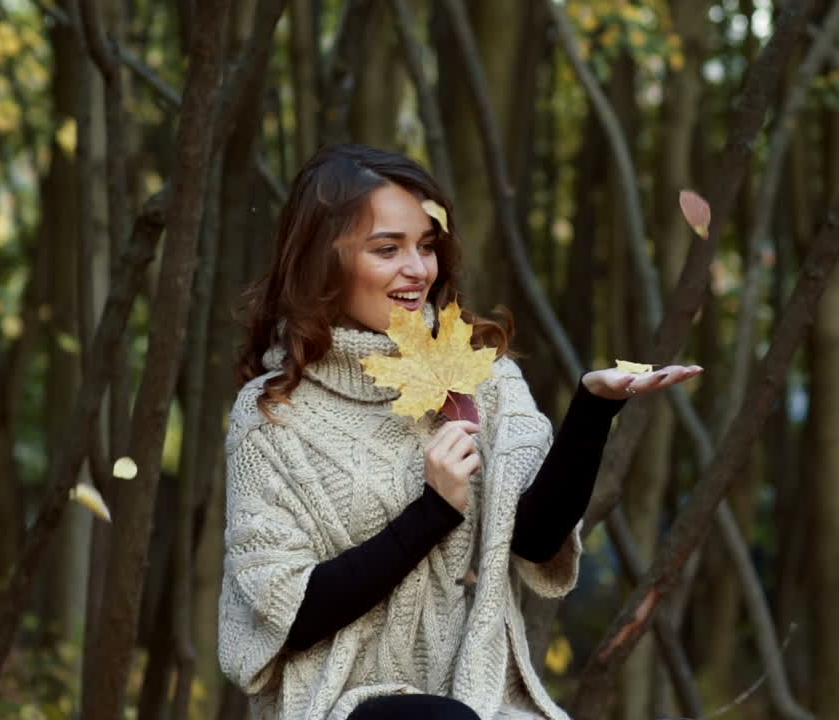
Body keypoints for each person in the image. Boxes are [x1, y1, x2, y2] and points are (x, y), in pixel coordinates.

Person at [218, 144, 701, 720]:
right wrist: (434, 511)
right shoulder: (273, 414)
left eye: (426, 246)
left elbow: (533, 539)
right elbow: (293, 618)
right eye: (387, 248)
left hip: (471, 688)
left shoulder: (481, 376)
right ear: (325, 261)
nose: (418, 269)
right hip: (331, 700)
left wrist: (591, 411)